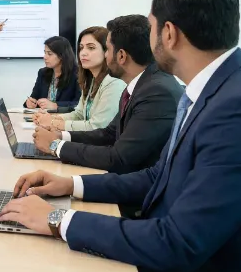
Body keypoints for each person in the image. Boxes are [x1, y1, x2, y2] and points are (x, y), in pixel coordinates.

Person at [0, 0, 241, 272]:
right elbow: (161, 176)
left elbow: (178, 243)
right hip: (185, 260)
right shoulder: (219, 87)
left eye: (151, 26)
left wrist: (56, 218)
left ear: (168, 33)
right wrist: (70, 185)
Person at [32, 15, 183, 177]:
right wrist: (60, 135)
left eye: (108, 50)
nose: (105, 56)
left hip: (138, 191)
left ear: (122, 56)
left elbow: (118, 158)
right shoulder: (141, 84)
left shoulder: (156, 92)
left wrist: (55, 146)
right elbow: (108, 134)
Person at [34, 27, 125, 131]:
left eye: (91, 48)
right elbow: (79, 115)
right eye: (81, 48)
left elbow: (96, 126)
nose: (83, 53)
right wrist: (50, 118)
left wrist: (53, 123)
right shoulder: (91, 81)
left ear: (106, 51)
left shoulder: (114, 83)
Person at [24, 36, 80, 111]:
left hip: (64, 119)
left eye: (49, 54)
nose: (45, 57)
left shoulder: (77, 75)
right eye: (45, 53)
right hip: (43, 117)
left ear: (62, 56)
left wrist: (56, 105)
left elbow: (79, 104)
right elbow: (34, 98)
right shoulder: (42, 73)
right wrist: (29, 103)